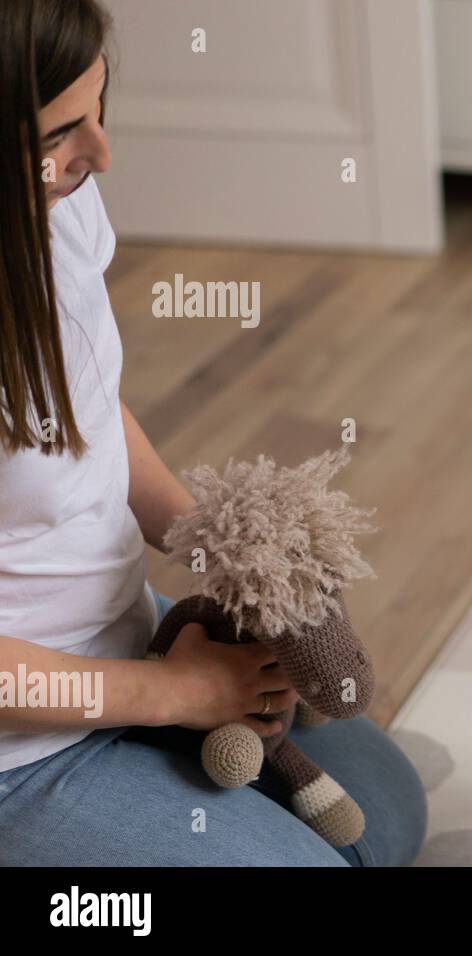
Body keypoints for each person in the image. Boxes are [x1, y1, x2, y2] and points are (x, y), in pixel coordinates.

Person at [0, 0, 426, 866]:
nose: (102, 155)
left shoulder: (55, 211)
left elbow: (87, 411)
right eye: (61, 135)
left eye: (101, 109)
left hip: (126, 636)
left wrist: (222, 554)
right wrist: (172, 693)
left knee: (385, 816)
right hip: (19, 748)